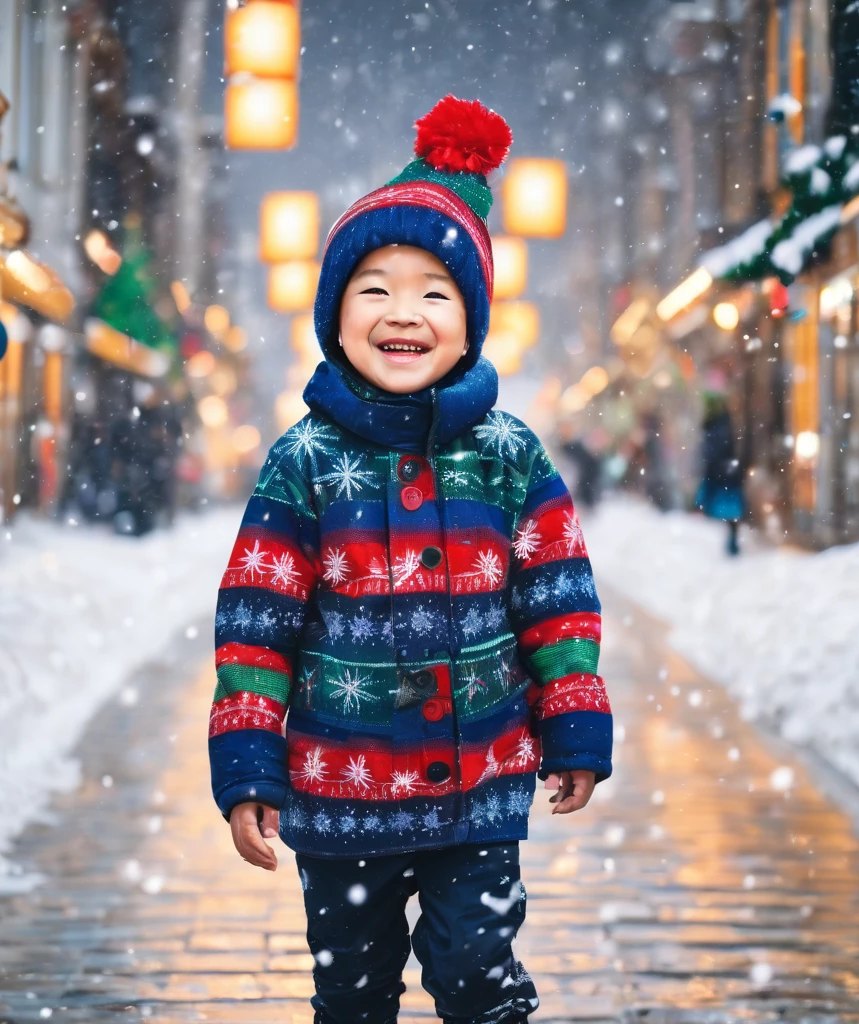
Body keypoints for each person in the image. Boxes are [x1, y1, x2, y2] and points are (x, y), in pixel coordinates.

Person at [208, 97, 612, 1024]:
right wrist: (247, 765)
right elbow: (257, 623)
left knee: (477, 972)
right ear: (336, 316)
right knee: (352, 992)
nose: (405, 313)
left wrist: (574, 722)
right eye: (375, 289)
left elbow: (558, 598)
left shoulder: (508, 454)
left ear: (470, 322)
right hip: (342, 790)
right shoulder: (304, 461)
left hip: (480, 786)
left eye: (435, 292)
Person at [695, 391, 746, 555]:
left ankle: (732, 543)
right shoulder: (725, 424)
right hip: (727, 473)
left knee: (728, 510)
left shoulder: (715, 427)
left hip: (721, 474)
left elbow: (713, 452)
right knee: (731, 511)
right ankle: (732, 542)